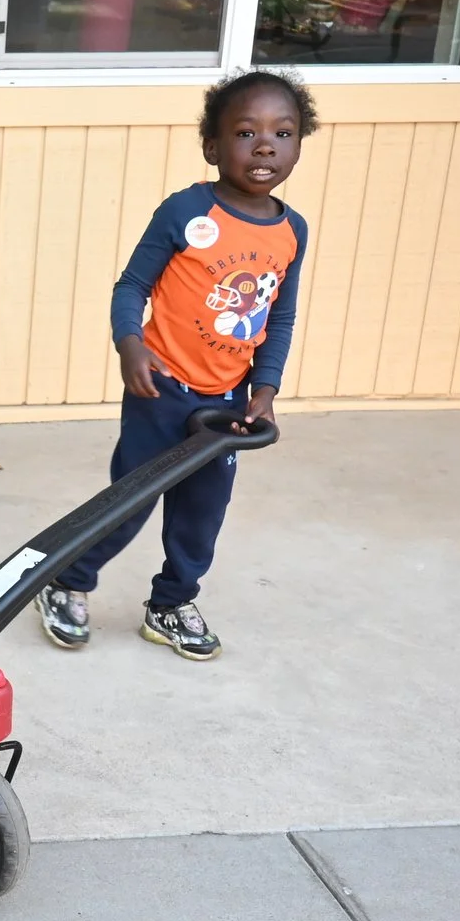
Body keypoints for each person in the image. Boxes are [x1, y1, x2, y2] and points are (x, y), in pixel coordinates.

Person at [37, 68, 317, 661]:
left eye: (283, 132)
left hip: (227, 404)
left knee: (202, 514)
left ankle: (171, 604)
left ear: (299, 143)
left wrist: (264, 390)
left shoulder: (292, 231)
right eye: (246, 133)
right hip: (160, 388)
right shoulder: (186, 210)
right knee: (131, 499)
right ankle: (68, 583)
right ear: (214, 147)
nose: (265, 145)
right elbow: (132, 284)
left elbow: (279, 318)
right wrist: (130, 345)